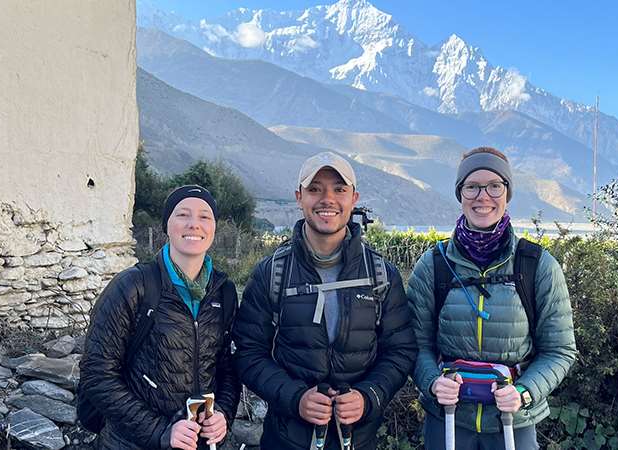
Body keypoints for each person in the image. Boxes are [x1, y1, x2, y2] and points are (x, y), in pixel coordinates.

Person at [233, 152, 417, 450]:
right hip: (285, 439)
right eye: (315, 188)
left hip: (358, 439)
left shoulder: (381, 275)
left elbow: (401, 351)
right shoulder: (272, 273)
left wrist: (368, 396)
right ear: (299, 197)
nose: (327, 199)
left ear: (353, 198)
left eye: (339, 190)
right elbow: (248, 354)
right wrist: (295, 398)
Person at [407, 147, 577, 449]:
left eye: (494, 186)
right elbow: (414, 344)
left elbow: (559, 350)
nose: (482, 196)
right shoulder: (433, 264)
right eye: (472, 186)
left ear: (507, 193)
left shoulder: (536, 265)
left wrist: (524, 392)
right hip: (448, 418)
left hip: (514, 419)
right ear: (460, 194)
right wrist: (433, 382)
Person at [79, 185, 241, 450]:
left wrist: (223, 413)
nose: (194, 224)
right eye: (183, 215)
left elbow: (228, 367)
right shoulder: (133, 286)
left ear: (214, 226)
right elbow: (97, 374)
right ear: (167, 224)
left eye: (204, 216)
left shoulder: (223, 292)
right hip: (132, 442)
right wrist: (160, 432)